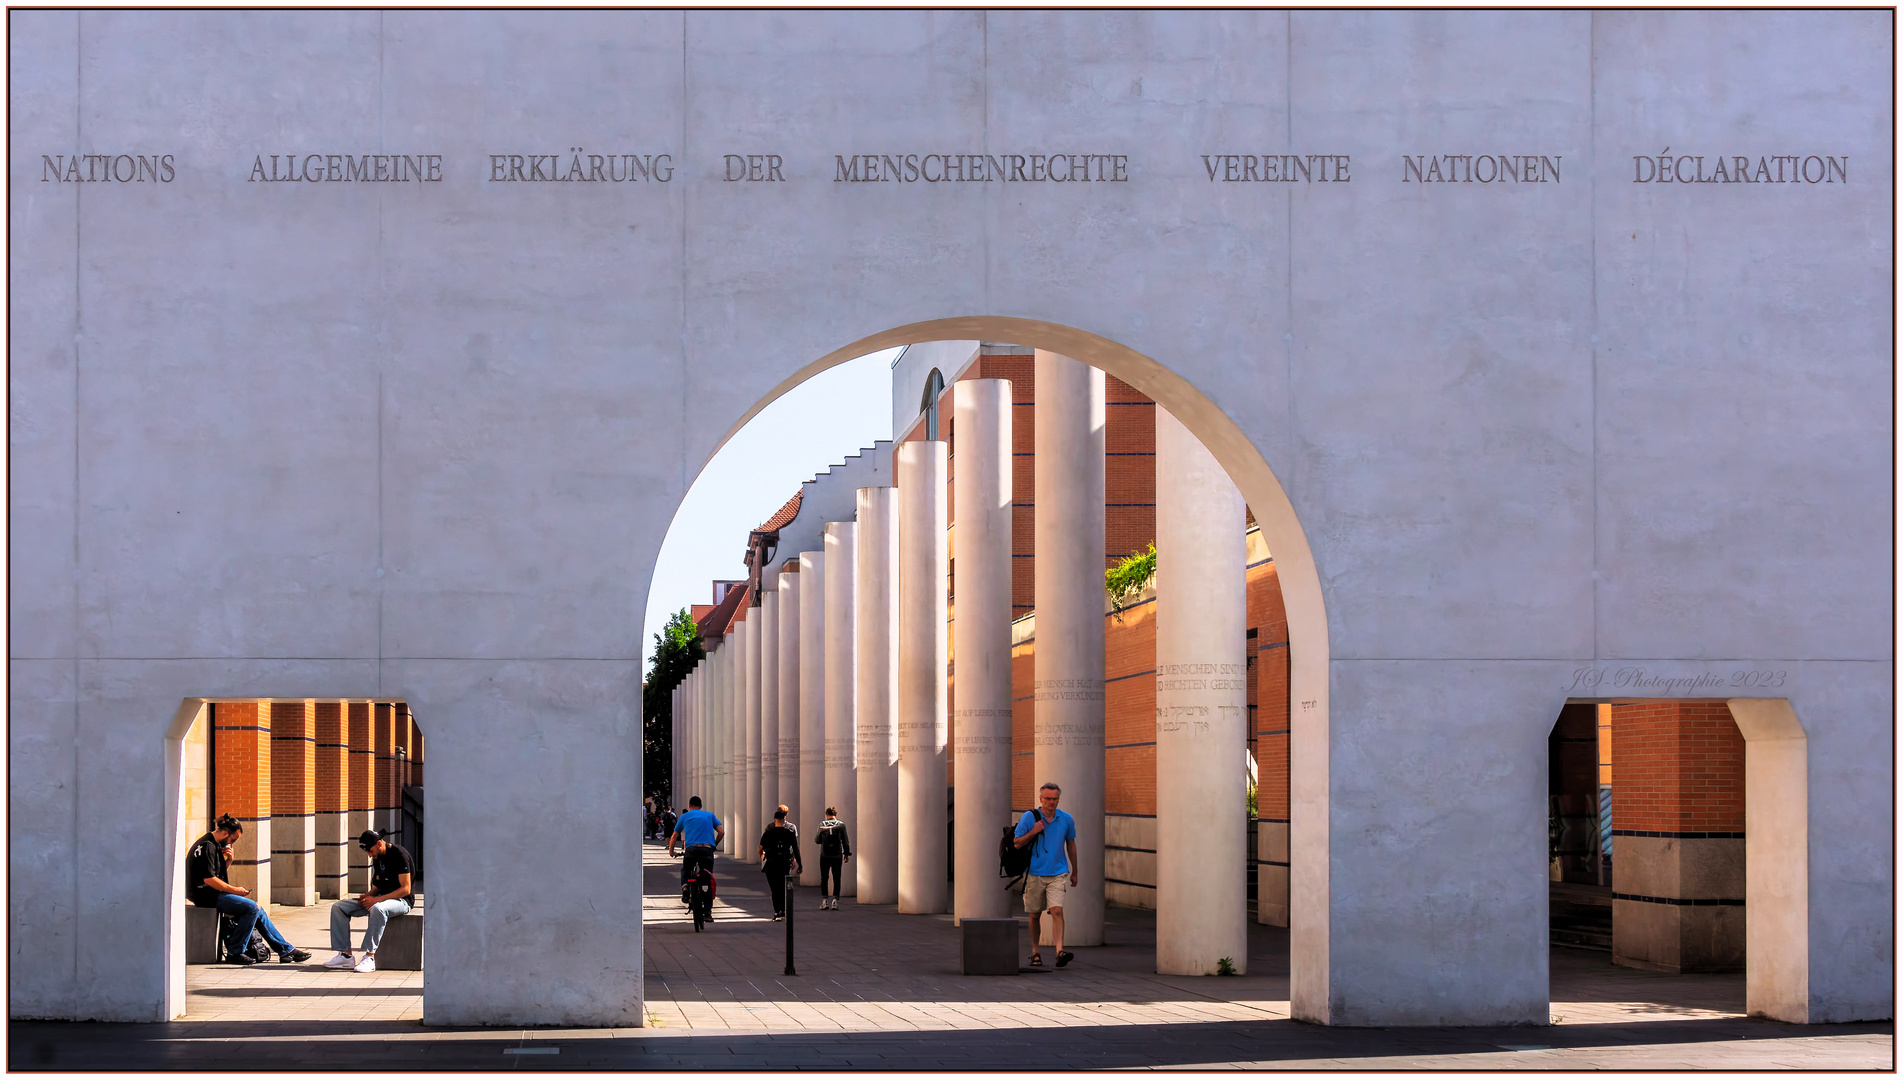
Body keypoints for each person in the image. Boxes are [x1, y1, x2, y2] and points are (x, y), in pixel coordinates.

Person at [186, 814, 312, 965]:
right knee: (251, 908)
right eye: (233, 839)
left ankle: (286, 950)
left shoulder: (214, 844)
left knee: (258, 909)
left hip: (211, 892)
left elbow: (215, 876)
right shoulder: (207, 846)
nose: (232, 843)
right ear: (226, 833)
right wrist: (235, 890)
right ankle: (235, 952)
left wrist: (229, 860)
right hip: (205, 895)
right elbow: (209, 880)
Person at [322, 830, 414, 973]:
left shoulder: (399, 855)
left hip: (401, 901)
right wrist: (367, 897)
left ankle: (369, 957)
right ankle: (345, 956)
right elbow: (378, 885)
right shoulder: (378, 858)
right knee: (339, 907)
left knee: (378, 909)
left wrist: (376, 900)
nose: (370, 855)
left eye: (370, 851)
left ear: (379, 844)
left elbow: (405, 889)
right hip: (380, 899)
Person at [1013, 782, 1079, 968]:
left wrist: (1075, 871)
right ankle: (1035, 952)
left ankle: (1059, 951)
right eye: (1048, 798)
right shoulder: (1029, 817)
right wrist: (1033, 831)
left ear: (1058, 799)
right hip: (1034, 873)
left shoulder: (1066, 819)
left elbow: (1071, 845)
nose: (1051, 802)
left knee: (1057, 910)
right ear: (1041, 799)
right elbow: (1017, 843)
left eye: (1055, 799)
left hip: (1058, 871)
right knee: (1035, 914)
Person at [668, 796, 724, 895]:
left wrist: (671, 851)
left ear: (689, 806)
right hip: (707, 849)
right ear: (701, 806)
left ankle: (685, 886)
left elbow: (674, 836)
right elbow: (721, 832)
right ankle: (707, 905)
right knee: (707, 874)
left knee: (686, 869)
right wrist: (714, 845)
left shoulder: (684, 816)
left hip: (691, 849)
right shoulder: (709, 815)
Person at [758, 805, 803, 921]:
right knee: (783, 888)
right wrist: (799, 863)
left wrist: (763, 854)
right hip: (784, 863)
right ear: (784, 819)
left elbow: (760, 848)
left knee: (774, 889)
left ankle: (777, 911)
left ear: (774, 819)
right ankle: (783, 910)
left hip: (771, 864)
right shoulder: (790, 831)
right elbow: (795, 849)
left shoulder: (768, 831)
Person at [813, 806, 852, 910]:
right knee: (836, 878)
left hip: (824, 855)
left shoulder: (822, 824)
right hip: (837, 855)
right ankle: (835, 901)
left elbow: (817, 840)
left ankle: (824, 901)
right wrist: (846, 853)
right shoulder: (841, 825)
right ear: (836, 815)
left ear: (827, 815)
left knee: (824, 878)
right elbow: (845, 841)